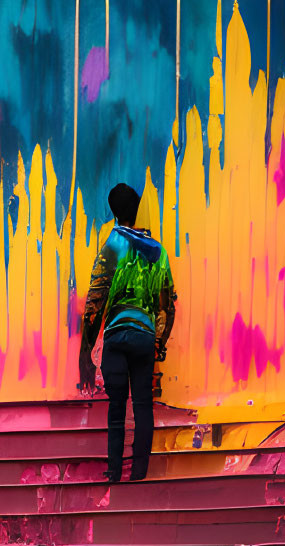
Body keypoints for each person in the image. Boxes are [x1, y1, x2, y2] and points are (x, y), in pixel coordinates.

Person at [80, 183, 177, 483]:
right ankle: (139, 473)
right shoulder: (158, 251)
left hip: (118, 334)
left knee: (117, 408)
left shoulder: (113, 244)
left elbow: (96, 296)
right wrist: (158, 342)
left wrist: (86, 349)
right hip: (145, 337)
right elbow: (167, 304)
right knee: (143, 406)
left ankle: (113, 472)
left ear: (113, 211)